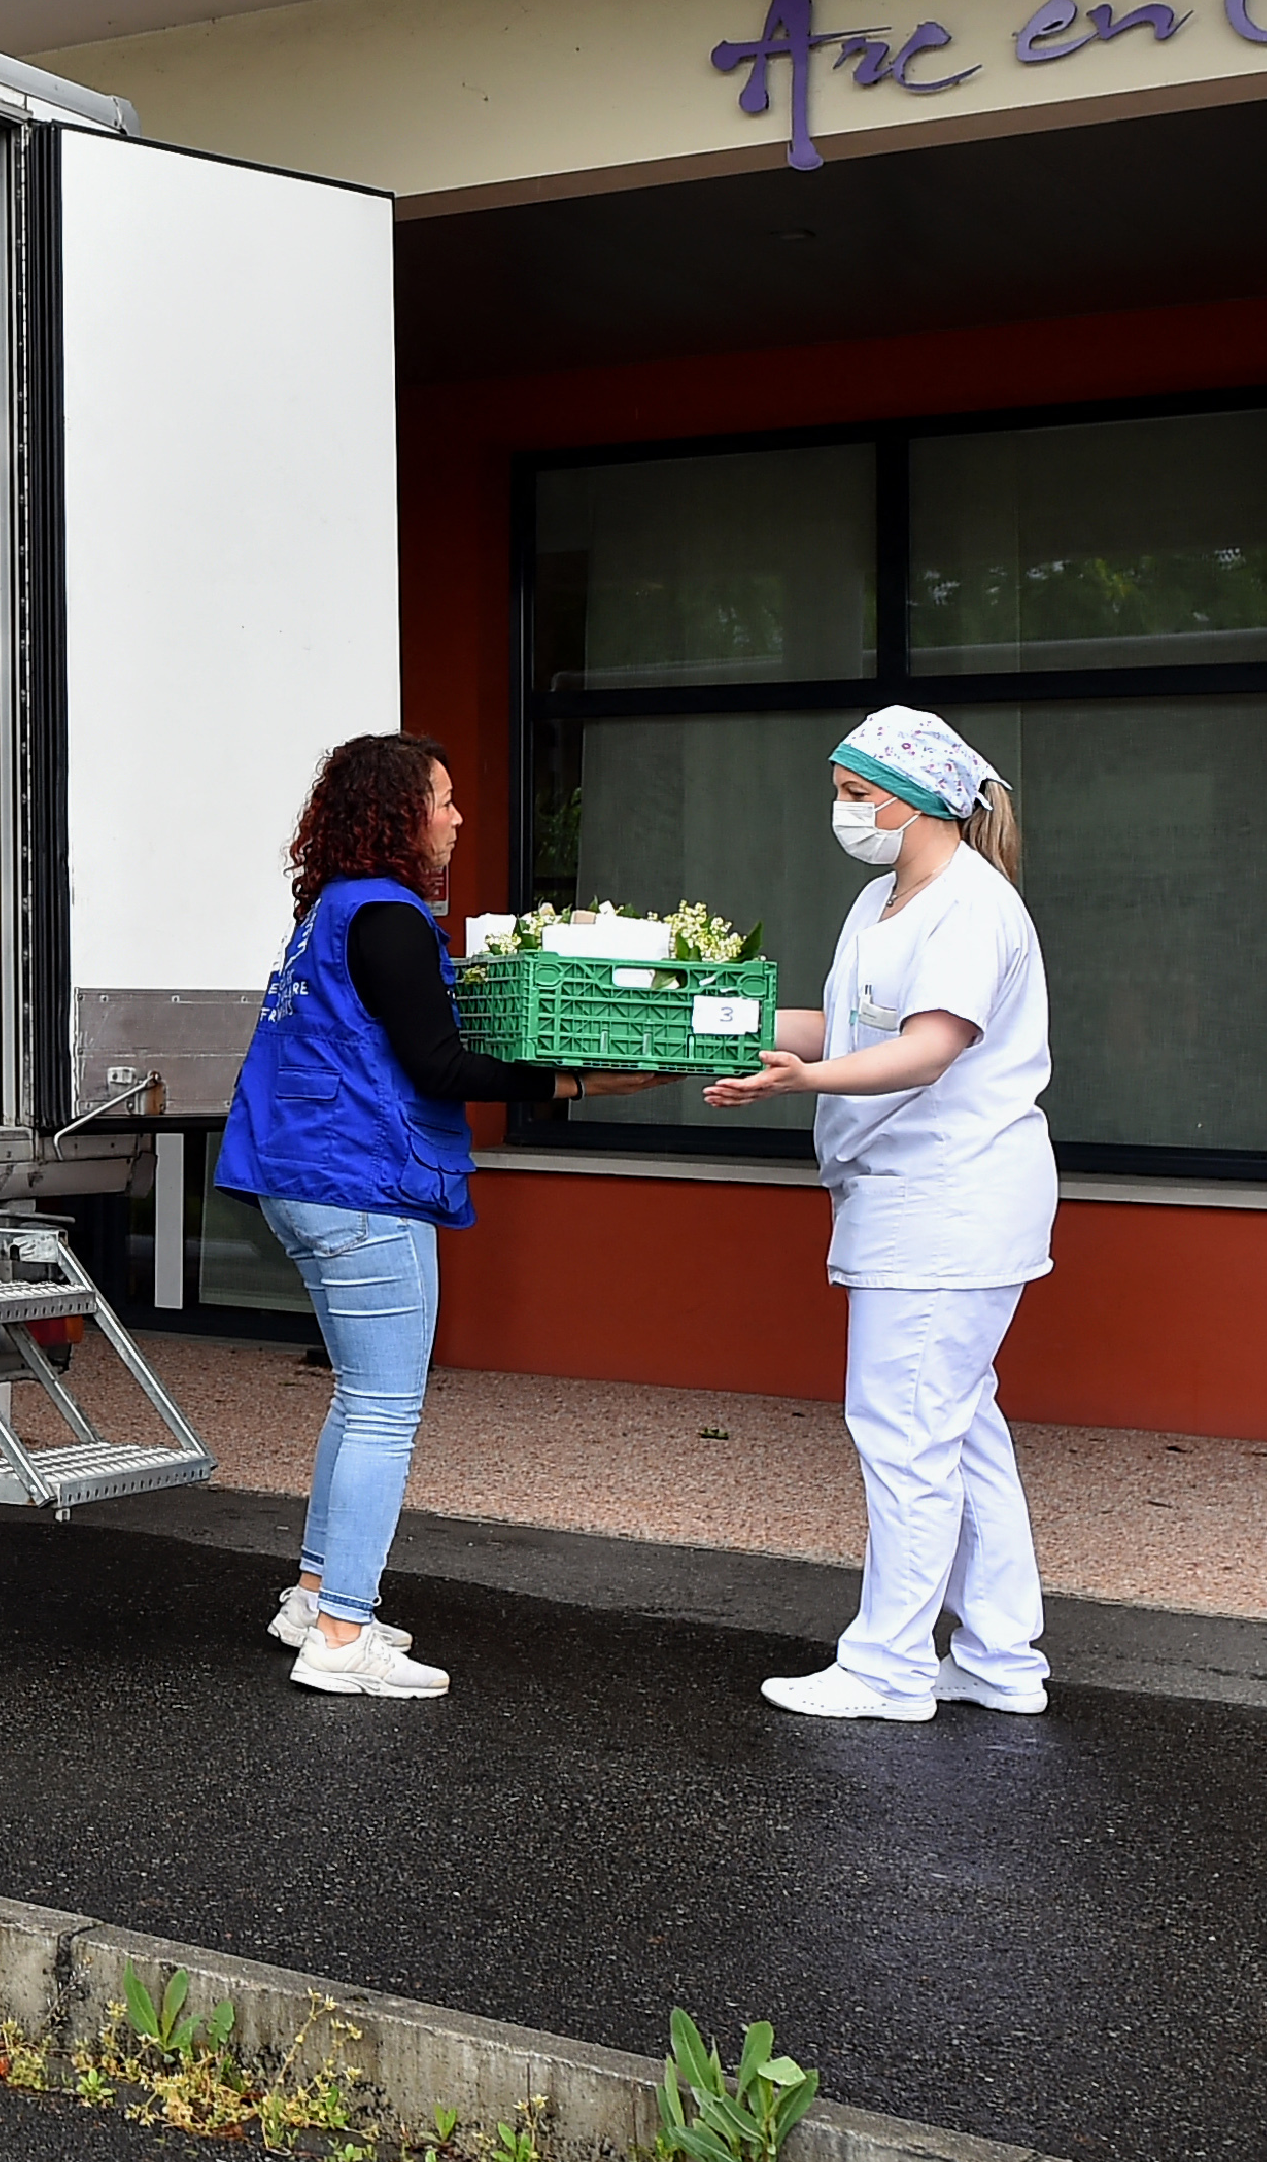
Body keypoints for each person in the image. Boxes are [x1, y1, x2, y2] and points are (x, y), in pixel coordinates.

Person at [219, 732, 652, 1698]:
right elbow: (441, 1066)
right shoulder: (389, 918)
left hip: (303, 1180)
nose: (458, 817)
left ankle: (315, 1595)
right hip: (360, 1189)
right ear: (397, 813)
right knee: (383, 1407)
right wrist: (581, 1079)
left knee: (357, 1396)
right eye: (444, 799)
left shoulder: (332, 913)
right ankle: (342, 1636)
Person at [704, 706, 1051, 1723]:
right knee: (956, 1431)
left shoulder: (971, 908)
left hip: (946, 1200)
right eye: (839, 789)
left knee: (902, 1432)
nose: (841, 809)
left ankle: (889, 1667)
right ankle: (996, 1659)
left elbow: (928, 1045)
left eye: (855, 792)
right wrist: (707, 1022)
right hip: (908, 1200)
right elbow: (853, 1023)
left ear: (916, 798)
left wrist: (799, 1081)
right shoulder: (881, 900)